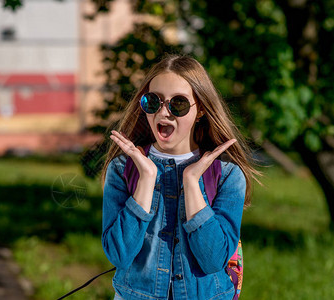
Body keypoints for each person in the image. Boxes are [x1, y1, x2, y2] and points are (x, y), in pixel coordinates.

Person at [100, 54, 258, 300]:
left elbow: (214, 259)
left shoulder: (227, 175)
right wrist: (146, 179)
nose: (164, 112)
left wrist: (192, 183)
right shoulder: (122, 169)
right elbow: (119, 255)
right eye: (153, 101)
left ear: (201, 109)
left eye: (179, 103)